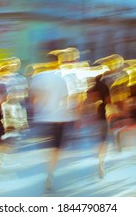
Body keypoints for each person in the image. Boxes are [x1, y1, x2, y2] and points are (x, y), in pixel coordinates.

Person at [29, 54, 76, 191]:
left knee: (46, 147)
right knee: (56, 148)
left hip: (42, 118)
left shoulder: (37, 78)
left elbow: (32, 98)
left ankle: (47, 169)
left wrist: (37, 110)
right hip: (58, 118)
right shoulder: (61, 79)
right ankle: (50, 173)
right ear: (58, 63)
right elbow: (65, 100)